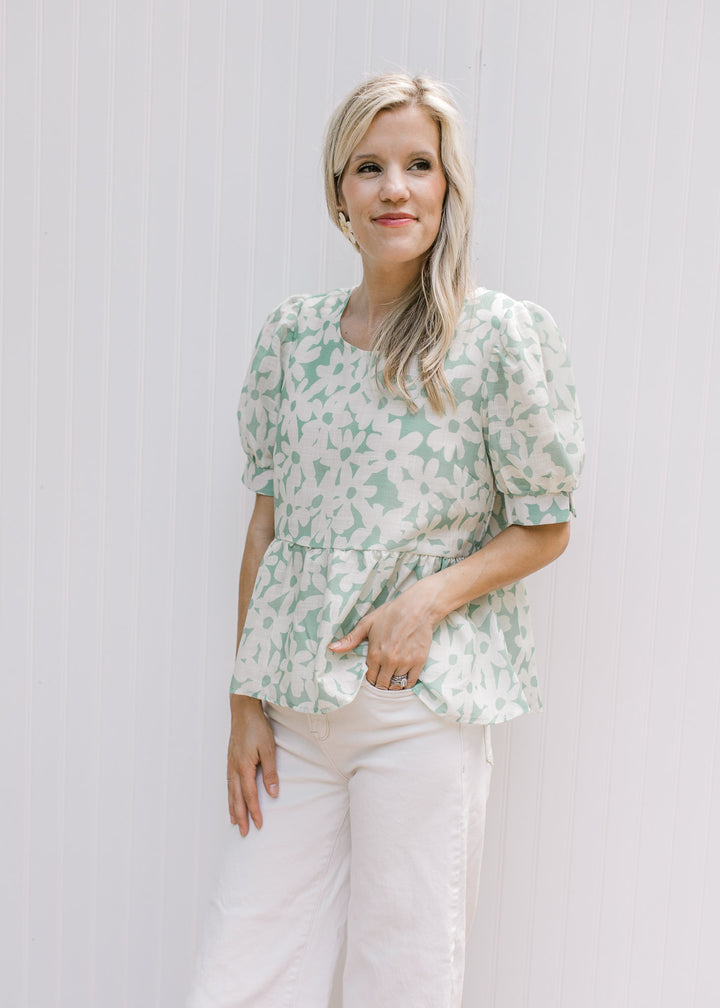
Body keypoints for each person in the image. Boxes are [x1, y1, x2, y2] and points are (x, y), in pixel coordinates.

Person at [187, 73, 584, 1008]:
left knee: (401, 977)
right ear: (339, 197)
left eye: (418, 165)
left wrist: (425, 602)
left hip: (422, 709)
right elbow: (268, 524)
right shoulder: (292, 340)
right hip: (293, 713)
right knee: (238, 974)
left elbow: (546, 523)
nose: (394, 188)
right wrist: (244, 697)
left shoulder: (496, 337)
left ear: (448, 189)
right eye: (369, 168)